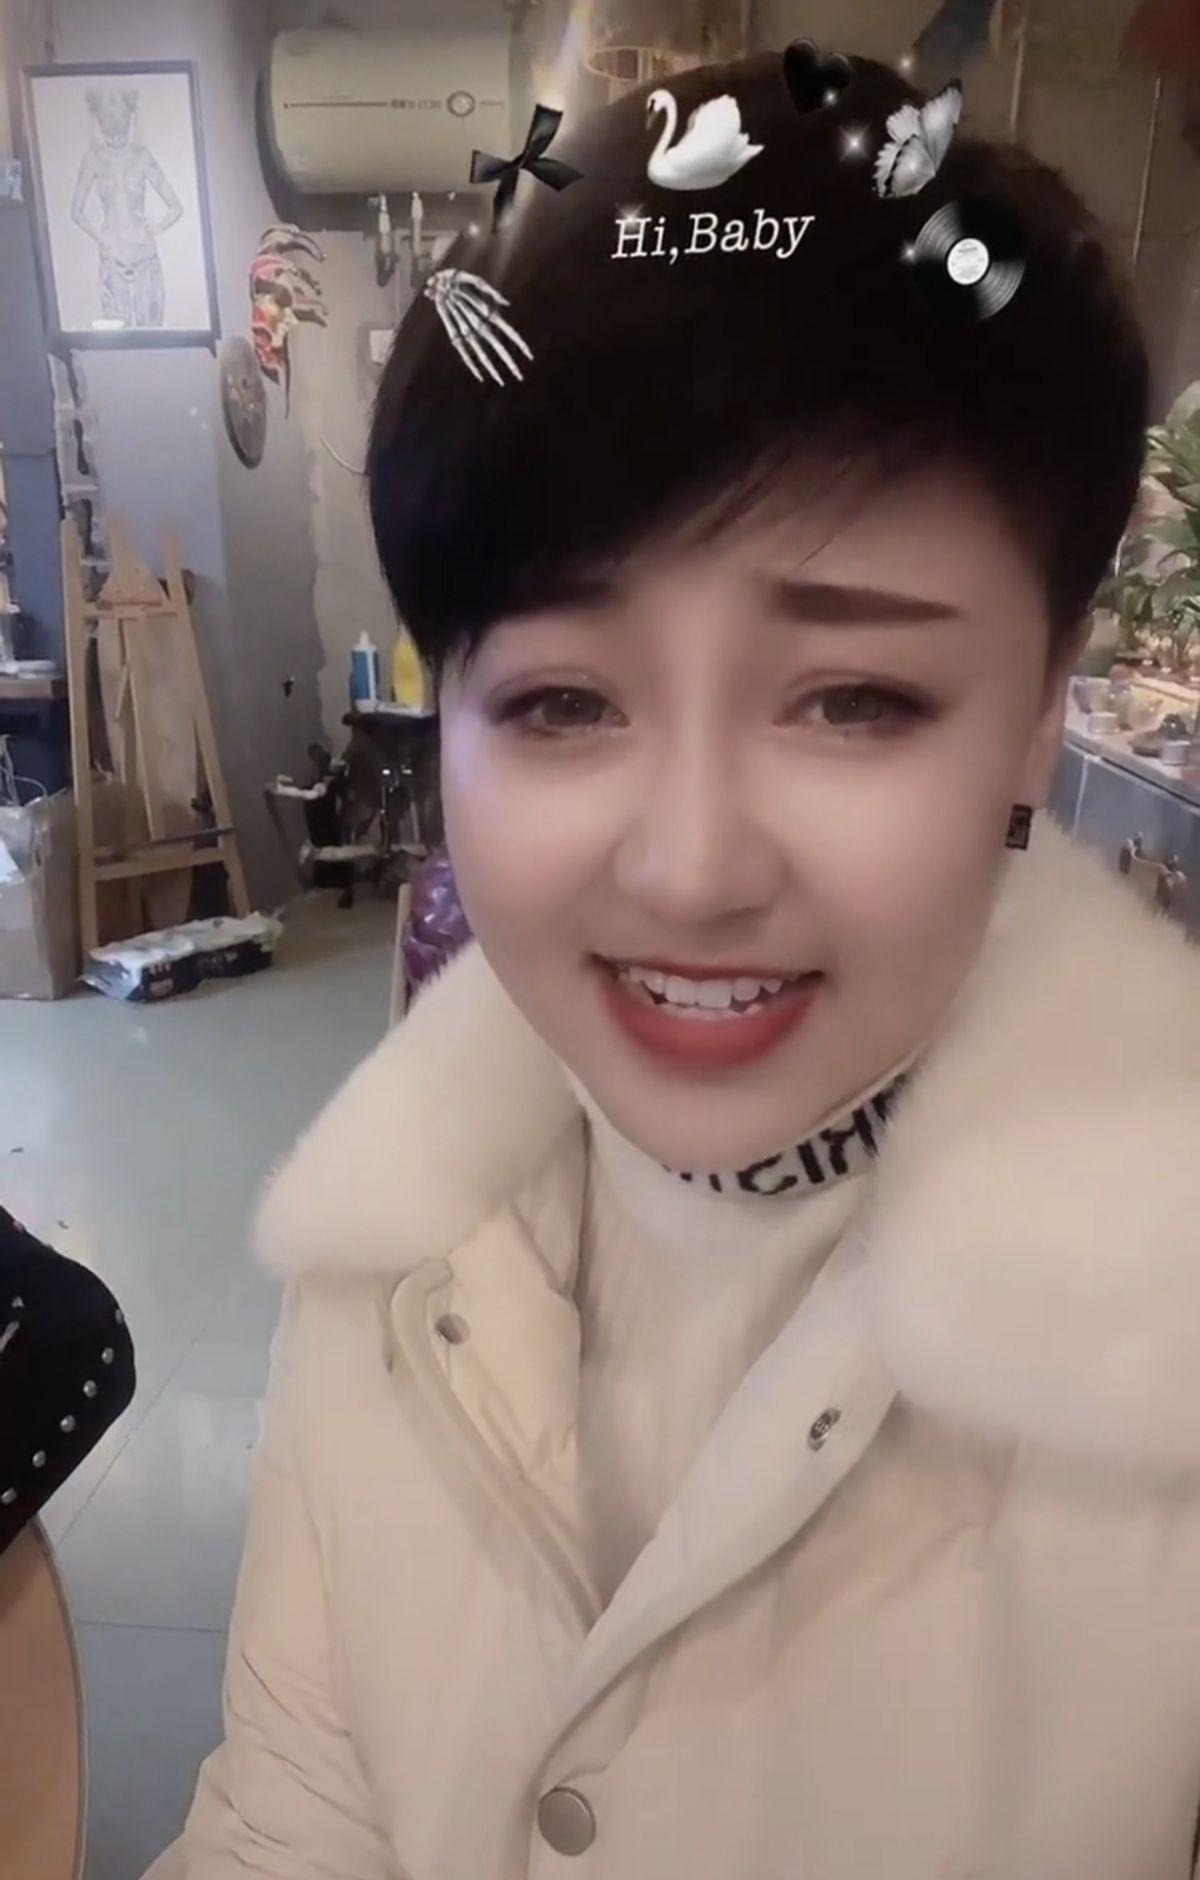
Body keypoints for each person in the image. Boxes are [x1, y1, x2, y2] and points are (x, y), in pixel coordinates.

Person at [146, 47, 1200, 1880]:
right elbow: (287, 1817)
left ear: (1042, 711)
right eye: (563, 702)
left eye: (854, 699)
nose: (693, 868)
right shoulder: (387, 1243)